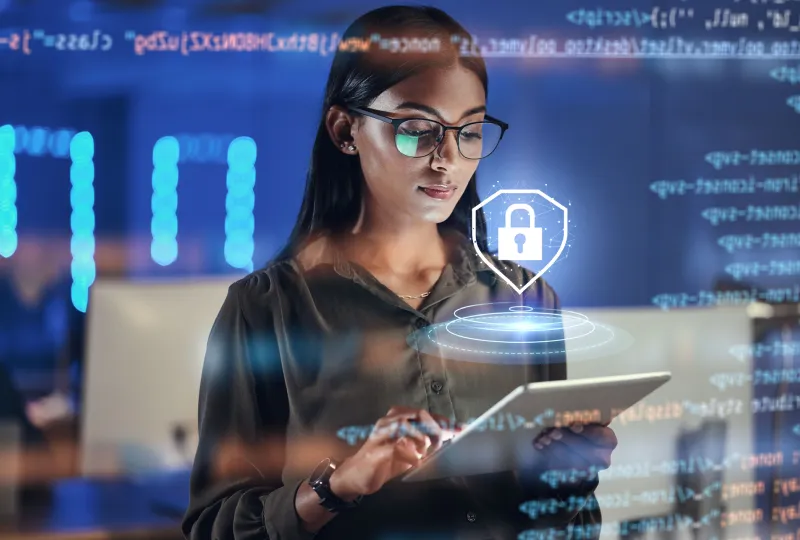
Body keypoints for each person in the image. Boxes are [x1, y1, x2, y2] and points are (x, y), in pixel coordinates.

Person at [183, 6, 618, 540]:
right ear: (346, 130)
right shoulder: (266, 309)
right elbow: (213, 528)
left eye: (471, 131)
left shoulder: (524, 300)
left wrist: (567, 482)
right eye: (417, 130)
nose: (448, 161)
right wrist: (337, 485)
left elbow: (576, 529)